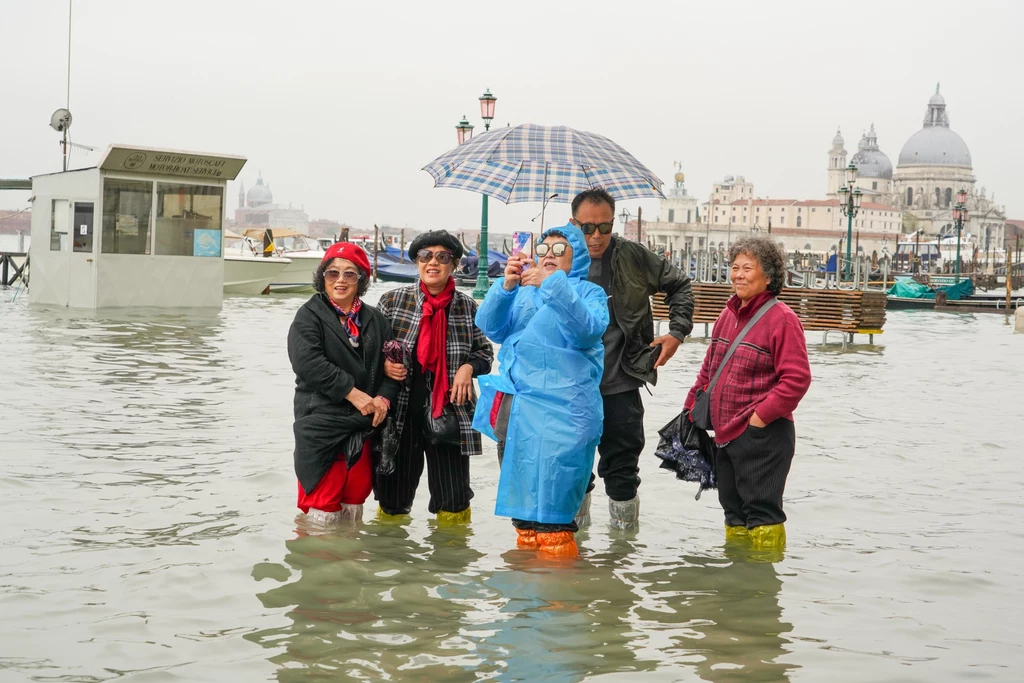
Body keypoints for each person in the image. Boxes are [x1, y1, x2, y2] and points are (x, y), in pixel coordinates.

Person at [473, 223, 608, 556]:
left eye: (560, 250)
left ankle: (558, 597)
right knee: (523, 519)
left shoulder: (589, 294)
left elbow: (585, 331)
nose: (550, 255)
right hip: (517, 412)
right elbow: (490, 326)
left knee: (555, 519)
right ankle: (522, 595)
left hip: (565, 414)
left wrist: (552, 285)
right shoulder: (522, 291)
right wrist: (505, 287)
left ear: (575, 258)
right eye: (544, 248)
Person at [572, 189, 695, 530]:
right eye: (586, 228)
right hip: (569, 387)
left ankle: (623, 557)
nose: (596, 236)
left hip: (621, 380)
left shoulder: (633, 256)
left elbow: (680, 286)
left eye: (604, 227)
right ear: (573, 224)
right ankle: (572, 553)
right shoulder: (559, 258)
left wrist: (677, 332)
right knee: (571, 470)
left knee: (623, 471)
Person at [684, 235, 812, 549]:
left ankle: (762, 590)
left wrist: (759, 418)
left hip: (763, 436)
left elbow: (796, 379)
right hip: (725, 433)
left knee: (763, 514)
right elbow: (709, 370)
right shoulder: (727, 315)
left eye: (747, 268)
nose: (738, 274)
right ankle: (736, 588)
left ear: (768, 276)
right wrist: (690, 408)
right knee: (733, 512)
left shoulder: (783, 319)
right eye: (734, 267)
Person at [377, 230, 494, 523]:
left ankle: (450, 564)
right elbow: (367, 353)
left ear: (453, 264)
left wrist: (468, 368)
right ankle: (390, 562)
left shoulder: (467, 306)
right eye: (425, 256)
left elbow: (486, 353)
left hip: (450, 411)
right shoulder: (392, 301)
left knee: (453, 501)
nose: (433, 263)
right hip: (399, 413)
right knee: (392, 499)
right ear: (417, 262)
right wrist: (384, 366)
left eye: (442, 257)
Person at [288, 243, 398, 524]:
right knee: (322, 508)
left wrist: (383, 399)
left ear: (361, 280)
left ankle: (349, 566)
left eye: (350, 274)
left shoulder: (377, 319)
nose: (340, 280)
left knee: (354, 503)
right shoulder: (308, 316)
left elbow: (394, 370)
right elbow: (309, 364)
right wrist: (354, 394)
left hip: (364, 426)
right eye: (332, 272)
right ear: (321, 277)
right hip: (322, 425)